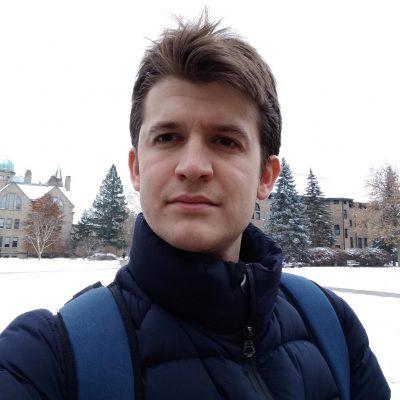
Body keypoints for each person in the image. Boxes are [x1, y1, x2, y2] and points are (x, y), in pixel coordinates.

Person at [0, 14, 390, 400]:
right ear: (137, 169)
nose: (192, 166)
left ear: (266, 176)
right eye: (168, 137)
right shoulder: (47, 359)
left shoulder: (330, 326)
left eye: (225, 141)